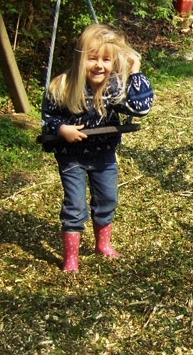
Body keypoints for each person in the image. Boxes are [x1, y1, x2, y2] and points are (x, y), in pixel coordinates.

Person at [41, 24, 154, 273]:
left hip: (104, 154)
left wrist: (135, 71)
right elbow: (48, 118)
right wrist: (62, 129)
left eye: (106, 59)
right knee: (75, 205)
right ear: (80, 58)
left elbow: (141, 108)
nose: (99, 65)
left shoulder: (114, 89)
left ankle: (102, 245)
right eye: (92, 58)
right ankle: (71, 258)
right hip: (71, 156)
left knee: (107, 199)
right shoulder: (63, 86)